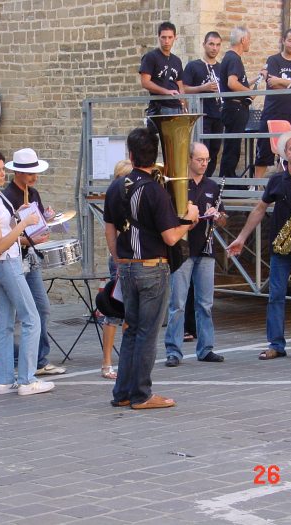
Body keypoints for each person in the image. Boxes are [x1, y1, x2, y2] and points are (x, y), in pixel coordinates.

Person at [103, 127, 199, 409]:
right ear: (154, 155)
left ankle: (122, 392)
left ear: (130, 155)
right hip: (152, 267)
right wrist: (190, 220)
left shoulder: (116, 186)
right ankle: (141, 394)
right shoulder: (155, 190)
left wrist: (119, 259)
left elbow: (109, 228)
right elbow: (170, 237)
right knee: (147, 332)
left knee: (131, 329)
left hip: (128, 267)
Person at [227, 130, 291, 359]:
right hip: (280, 246)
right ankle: (276, 344)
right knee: (275, 295)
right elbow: (259, 209)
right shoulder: (275, 179)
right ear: (285, 152)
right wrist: (241, 238)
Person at [0, 152, 55, 396]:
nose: (2, 174)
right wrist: (23, 222)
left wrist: (18, 215)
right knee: (32, 318)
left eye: (2, 169)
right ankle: (27, 379)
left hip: (5, 262)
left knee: (5, 322)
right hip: (7, 261)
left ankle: (5, 379)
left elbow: (2, 233)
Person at [3, 148, 66, 377]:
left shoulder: (34, 193)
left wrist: (47, 220)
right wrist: (27, 239)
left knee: (41, 308)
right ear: (18, 173)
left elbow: (35, 225)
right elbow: (4, 236)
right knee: (17, 314)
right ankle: (24, 359)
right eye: (30, 173)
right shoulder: (8, 197)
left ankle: (39, 360)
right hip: (14, 257)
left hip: (30, 258)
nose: (34, 177)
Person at [164, 142, 227, 367]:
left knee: (205, 303)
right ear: (189, 159)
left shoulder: (213, 185)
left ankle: (206, 348)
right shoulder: (179, 185)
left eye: (207, 160)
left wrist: (217, 216)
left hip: (206, 249)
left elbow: (223, 218)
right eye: (200, 160)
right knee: (178, 303)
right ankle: (173, 350)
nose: (204, 164)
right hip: (182, 249)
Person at [254, 28, 291, 178]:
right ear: (283, 41)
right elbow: (272, 84)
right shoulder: (273, 60)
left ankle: (288, 182)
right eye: (290, 40)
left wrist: (281, 81)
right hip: (273, 111)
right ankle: (256, 187)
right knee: (264, 149)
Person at [98, 159, 133, 380]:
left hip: (132, 258)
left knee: (130, 312)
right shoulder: (117, 200)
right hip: (121, 257)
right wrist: (117, 256)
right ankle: (107, 363)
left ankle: (126, 361)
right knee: (114, 312)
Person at [182, 31, 224, 178]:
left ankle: (207, 180)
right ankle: (198, 179)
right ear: (204, 45)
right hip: (202, 115)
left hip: (218, 115)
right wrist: (203, 88)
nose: (214, 48)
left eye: (218, 45)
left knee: (214, 150)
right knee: (202, 149)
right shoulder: (193, 66)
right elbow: (184, 88)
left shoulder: (221, 67)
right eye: (211, 44)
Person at [219, 26, 255, 179]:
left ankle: (228, 179)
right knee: (232, 147)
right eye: (249, 40)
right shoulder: (234, 58)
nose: (249, 43)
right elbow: (232, 83)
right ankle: (229, 181)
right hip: (235, 108)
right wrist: (250, 93)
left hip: (234, 108)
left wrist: (255, 80)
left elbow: (238, 83)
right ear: (242, 40)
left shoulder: (230, 58)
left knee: (231, 146)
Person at [140, 21, 185, 122]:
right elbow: (145, 82)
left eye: (170, 37)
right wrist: (167, 92)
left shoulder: (177, 60)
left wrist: (183, 104)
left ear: (175, 37)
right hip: (160, 107)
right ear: (158, 37)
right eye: (163, 37)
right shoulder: (151, 57)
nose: (167, 41)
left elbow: (180, 84)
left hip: (177, 107)